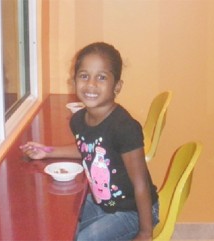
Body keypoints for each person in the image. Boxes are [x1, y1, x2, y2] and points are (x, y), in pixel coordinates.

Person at [20, 42, 159, 241]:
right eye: (84, 76)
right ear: (74, 81)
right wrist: (47, 152)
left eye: (101, 77)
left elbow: (141, 184)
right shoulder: (78, 120)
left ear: (117, 86)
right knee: (64, 225)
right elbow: (87, 149)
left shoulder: (124, 127)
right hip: (103, 203)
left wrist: (145, 233)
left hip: (134, 212)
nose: (91, 84)